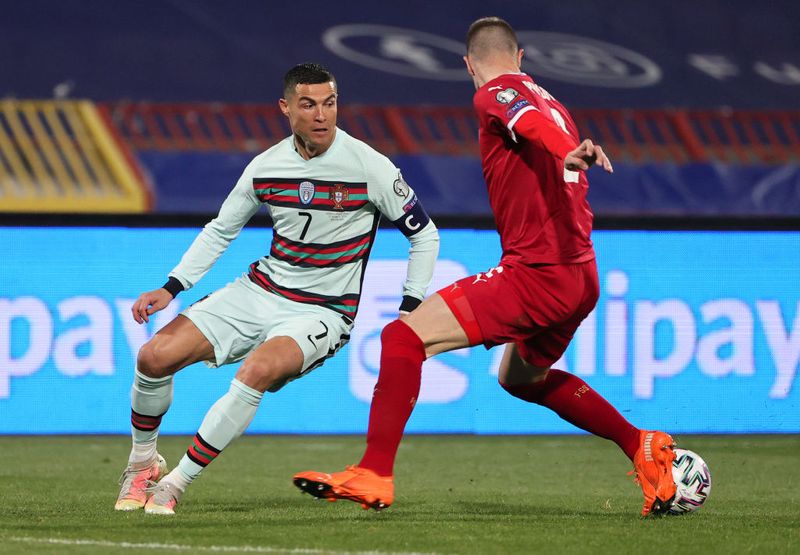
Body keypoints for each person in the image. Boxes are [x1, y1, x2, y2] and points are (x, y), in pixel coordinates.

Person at [293, 17, 677, 517]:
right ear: (522, 57)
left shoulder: (493, 94)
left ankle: (374, 472)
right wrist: (572, 146)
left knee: (403, 339)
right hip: (581, 274)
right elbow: (541, 131)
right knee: (521, 379)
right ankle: (640, 444)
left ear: (468, 64)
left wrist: (569, 150)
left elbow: (529, 127)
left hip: (537, 273)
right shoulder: (554, 103)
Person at [114, 63, 439, 515]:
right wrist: (173, 286)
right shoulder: (266, 166)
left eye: (330, 103)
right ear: (286, 108)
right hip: (260, 289)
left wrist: (412, 302)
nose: (322, 115)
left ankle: (174, 484)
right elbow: (221, 230)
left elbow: (425, 234)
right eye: (309, 105)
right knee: (153, 356)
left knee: (257, 369)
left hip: (323, 311)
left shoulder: (370, 167)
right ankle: (142, 464)